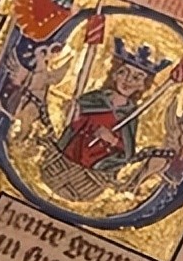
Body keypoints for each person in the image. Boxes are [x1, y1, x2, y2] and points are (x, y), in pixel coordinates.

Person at [57, 38, 169, 173]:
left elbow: (127, 152)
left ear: (142, 86)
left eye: (136, 78)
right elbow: (73, 125)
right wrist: (73, 115)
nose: (128, 80)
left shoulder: (130, 115)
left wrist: (112, 140)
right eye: (123, 72)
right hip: (70, 156)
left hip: (97, 168)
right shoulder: (94, 98)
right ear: (114, 75)